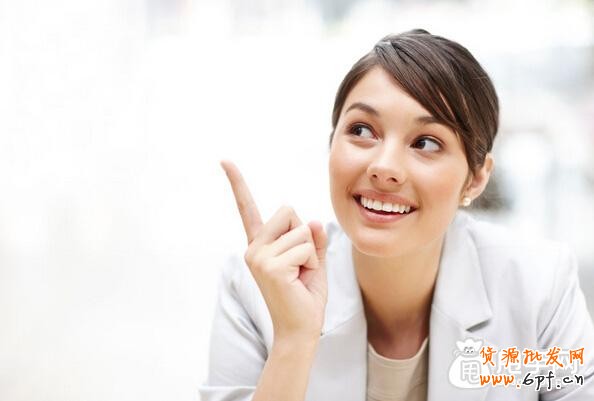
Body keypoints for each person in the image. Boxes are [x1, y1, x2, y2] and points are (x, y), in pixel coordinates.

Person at [199, 29, 594, 401]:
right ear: (332, 145)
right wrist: (293, 340)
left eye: (426, 142)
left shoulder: (539, 285)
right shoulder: (255, 288)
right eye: (362, 130)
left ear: (475, 179)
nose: (384, 167)